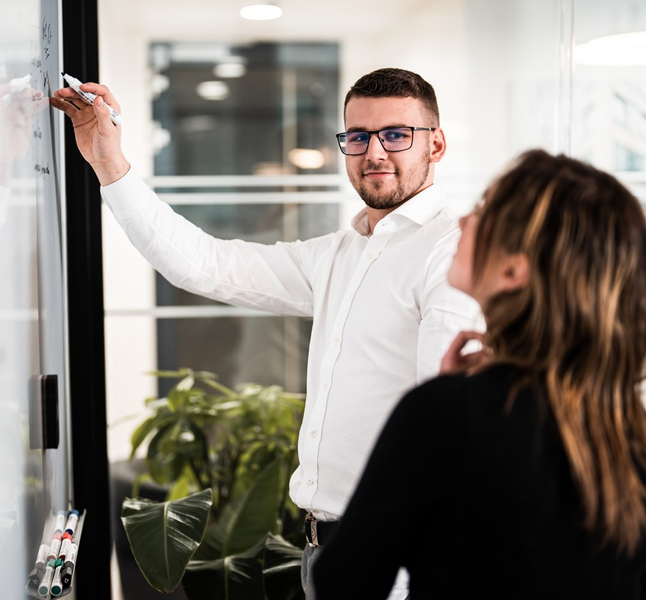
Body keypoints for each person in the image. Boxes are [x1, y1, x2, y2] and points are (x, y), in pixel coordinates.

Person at [50, 67, 482, 597]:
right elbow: (204, 264)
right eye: (358, 137)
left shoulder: (452, 253)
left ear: (435, 144)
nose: (374, 153)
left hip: (394, 560)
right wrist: (109, 162)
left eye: (396, 135)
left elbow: (445, 425)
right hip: (323, 550)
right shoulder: (340, 255)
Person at [313, 149, 646, 599]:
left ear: (513, 269)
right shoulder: (624, 426)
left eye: (485, 209)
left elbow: (343, 580)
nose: (465, 219)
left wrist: (448, 402)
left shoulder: (449, 414)